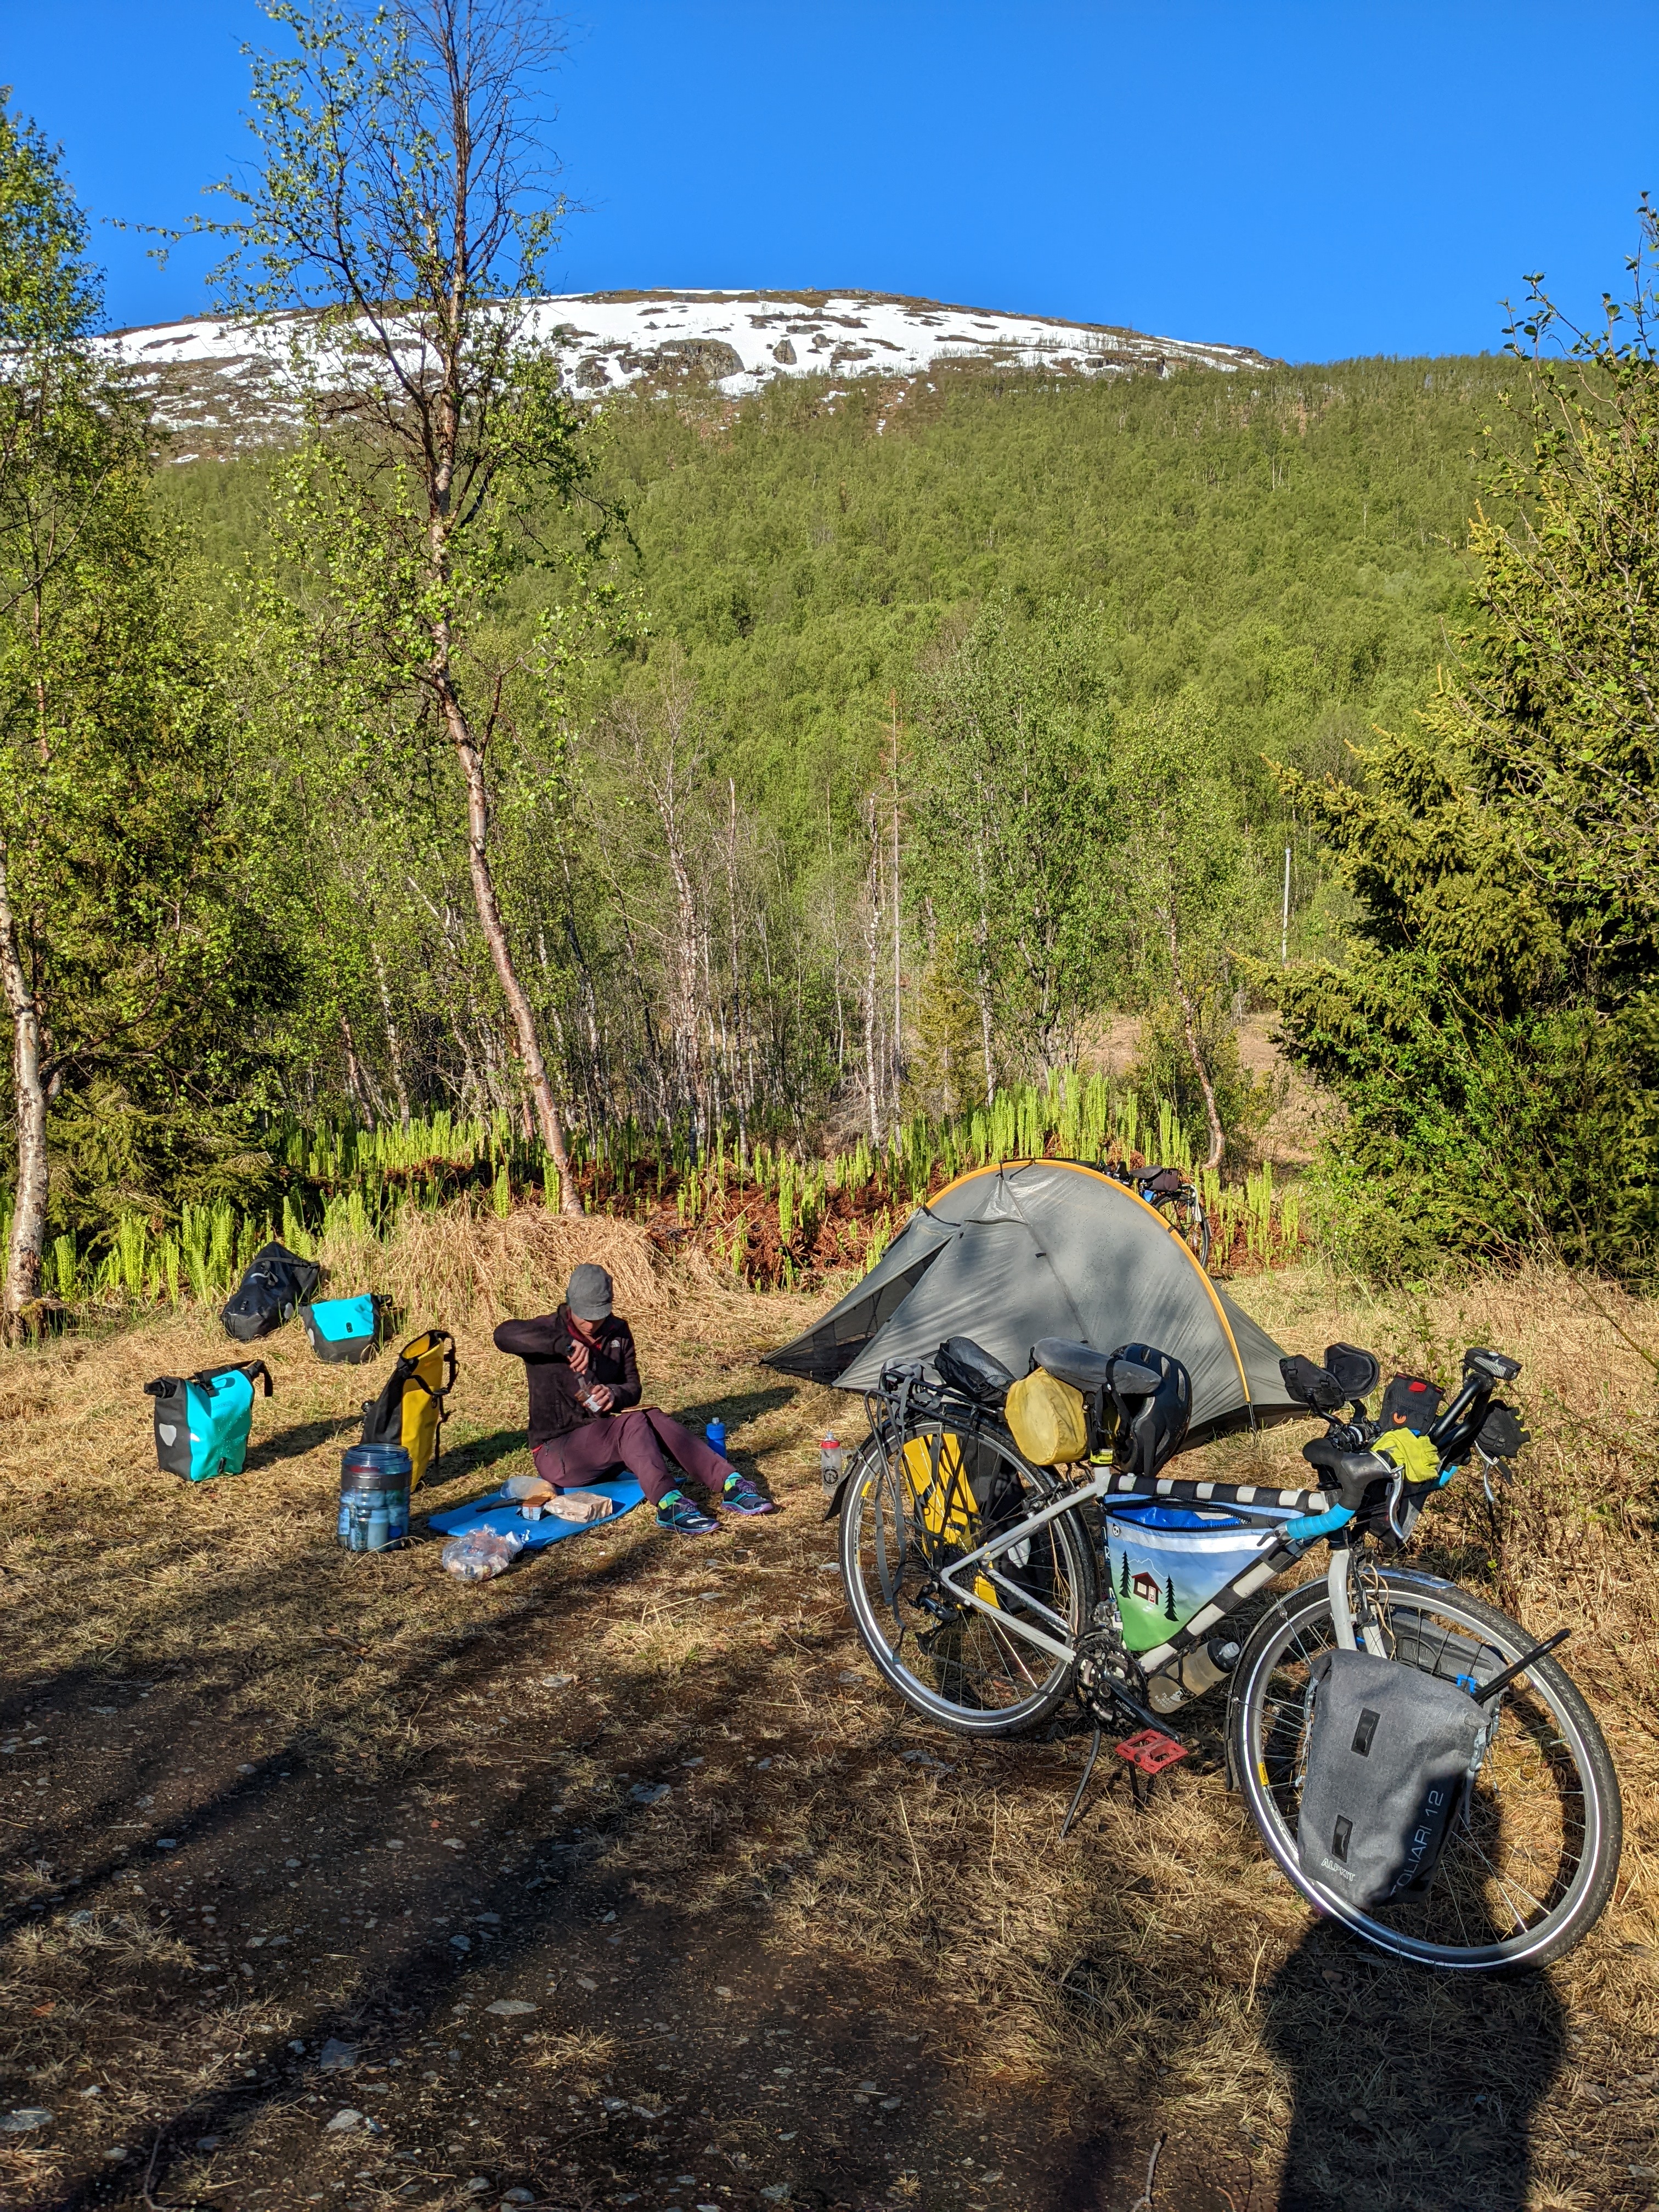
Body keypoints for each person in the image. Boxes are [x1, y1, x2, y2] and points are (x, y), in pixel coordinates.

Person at [492, 1263, 777, 1535]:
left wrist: (613, 1394)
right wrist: (562, 1345)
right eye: (584, 1316)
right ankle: (669, 1505)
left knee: (650, 1416)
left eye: (598, 1315)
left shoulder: (618, 1333)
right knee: (631, 1424)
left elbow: (633, 1387)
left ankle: (731, 1483)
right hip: (557, 1453)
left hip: (602, 1442)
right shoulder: (546, 1331)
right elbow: (503, 1334)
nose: (591, 1324)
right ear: (569, 1305)